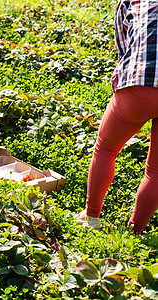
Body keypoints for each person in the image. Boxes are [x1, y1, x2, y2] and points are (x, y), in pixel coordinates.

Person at [76, 0, 158, 234]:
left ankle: (91, 217)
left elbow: (124, 48)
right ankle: (136, 230)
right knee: (156, 171)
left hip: (139, 85)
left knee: (106, 149)